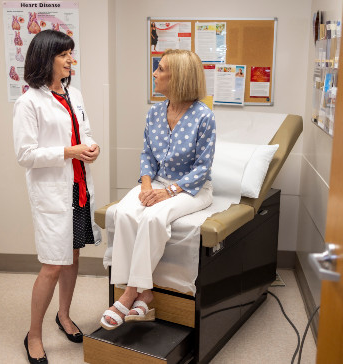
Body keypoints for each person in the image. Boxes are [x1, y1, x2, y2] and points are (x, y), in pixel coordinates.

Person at [100, 49, 216, 330]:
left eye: (161, 69)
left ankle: (130, 293)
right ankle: (146, 293)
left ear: (178, 76)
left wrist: (170, 191)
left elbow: (203, 167)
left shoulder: (204, 117)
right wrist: (148, 185)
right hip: (158, 182)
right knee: (123, 213)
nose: (155, 74)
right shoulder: (154, 112)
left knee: (153, 218)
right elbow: (147, 155)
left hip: (192, 188)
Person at [13, 29, 101, 363]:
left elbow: (85, 131)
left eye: (70, 54)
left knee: (73, 256)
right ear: (46, 57)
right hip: (52, 193)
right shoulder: (28, 102)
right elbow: (25, 154)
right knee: (52, 265)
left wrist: (90, 147)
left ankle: (63, 315)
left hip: (78, 188)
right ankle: (33, 335)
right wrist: (70, 151)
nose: (70, 60)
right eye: (64, 55)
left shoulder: (73, 93)